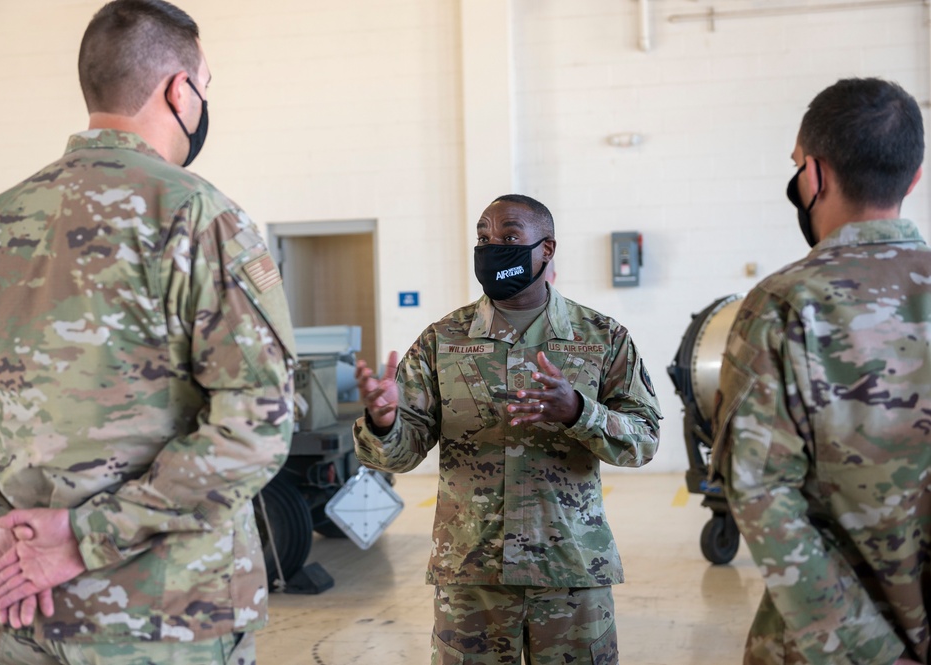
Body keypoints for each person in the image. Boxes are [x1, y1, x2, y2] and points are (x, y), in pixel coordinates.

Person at [0, 1, 297, 663]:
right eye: (204, 86)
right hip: (164, 621)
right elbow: (257, 425)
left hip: (18, 614)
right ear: (179, 90)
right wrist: (80, 538)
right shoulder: (200, 220)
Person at [354, 194, 662, 665]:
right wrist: (384, 422)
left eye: (510, 236)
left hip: (571, 573)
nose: (493, 246)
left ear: (547, 249)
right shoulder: (443, 339)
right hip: (472, 577)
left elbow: (642, 441)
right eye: (483, 237)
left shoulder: (603, 338)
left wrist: (580, 411)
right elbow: (401, 452)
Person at [711, 77, 930, 665]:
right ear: (913, 178)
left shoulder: (784, 305)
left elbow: (761, 492)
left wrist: (872, 653)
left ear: (813, 175)